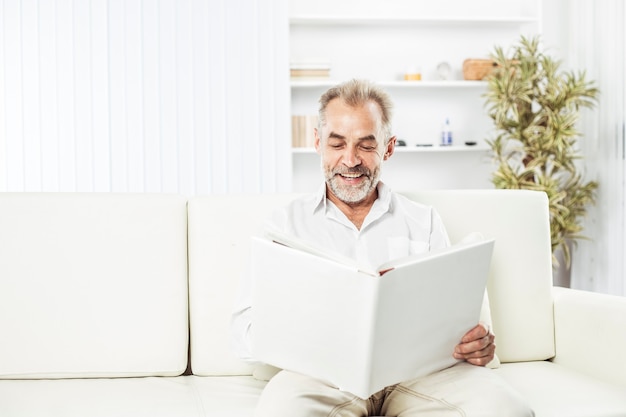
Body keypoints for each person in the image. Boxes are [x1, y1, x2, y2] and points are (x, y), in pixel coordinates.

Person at [231, 79, 533, 417]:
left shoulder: (424, 222)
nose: (350, 160)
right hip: (320, 377)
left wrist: (477, 343)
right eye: (337, 144)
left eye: (365, 145)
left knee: (508, 409)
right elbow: (245, 332)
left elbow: (457, 319)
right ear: (318, 143)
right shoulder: (284, 226)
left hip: (419, 377)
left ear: (388, 148)